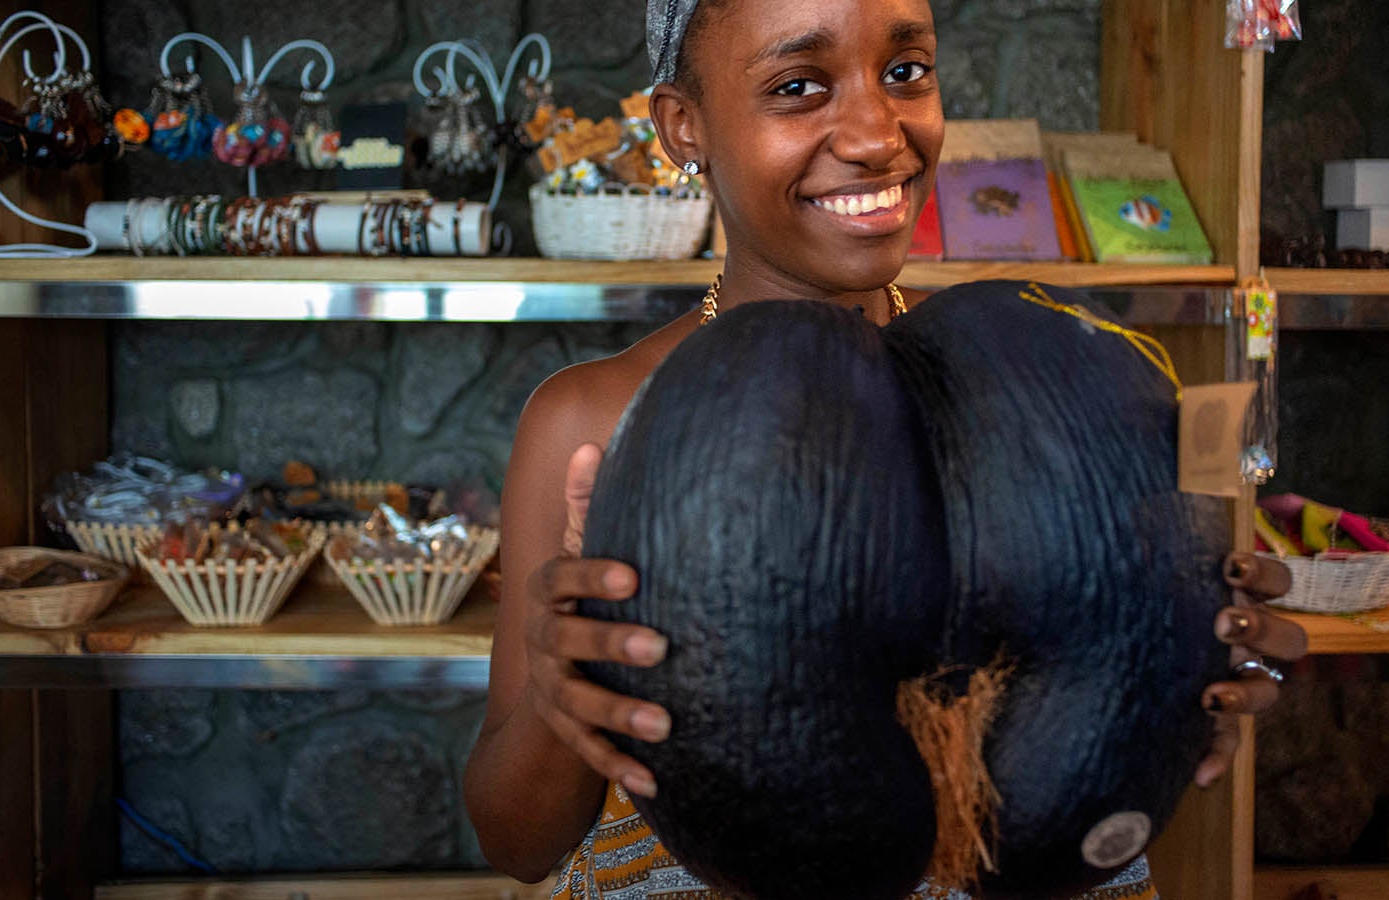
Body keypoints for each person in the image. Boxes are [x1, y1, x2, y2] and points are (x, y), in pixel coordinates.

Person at [463, 0, 1310, 896]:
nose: (877, 135)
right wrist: (564, 689)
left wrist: (1178, 665)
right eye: (798, 86)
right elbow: (517, 846)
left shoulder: (1050, 386)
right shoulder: (593, 419)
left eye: (906, 72)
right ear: (685, 127)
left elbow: (1109, 731)